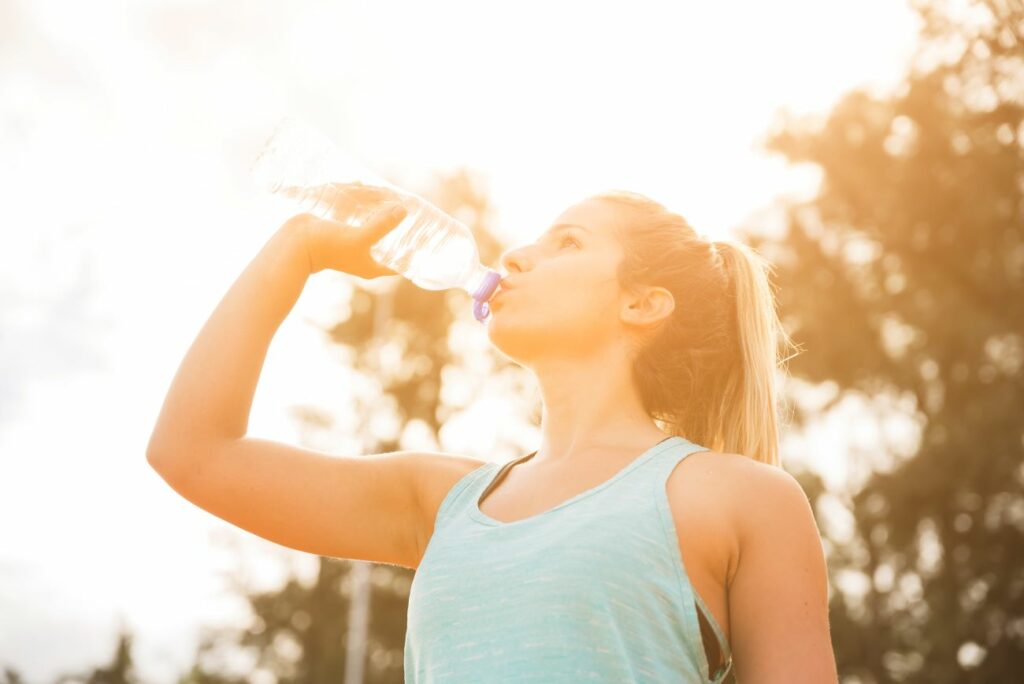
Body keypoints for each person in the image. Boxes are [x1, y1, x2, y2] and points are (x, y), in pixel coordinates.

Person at [146, 184, 838, 683]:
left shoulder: (740, 499)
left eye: (567, 243)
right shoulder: (442, 502)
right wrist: (297, 248)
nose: (515, 255)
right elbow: (193, 452)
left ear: (643, 302)